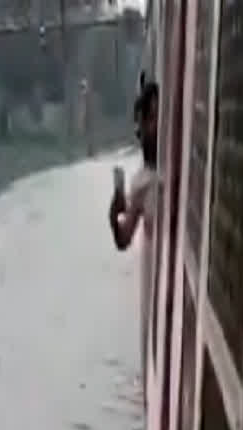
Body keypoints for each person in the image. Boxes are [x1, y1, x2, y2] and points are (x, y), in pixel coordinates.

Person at [109, 80, 160, 374]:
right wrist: (112, 216)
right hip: (154, 295)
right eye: (147, 121)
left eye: (156, 118)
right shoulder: (141, 183)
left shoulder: (173, 173)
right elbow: (123, 238)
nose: (151, 128)